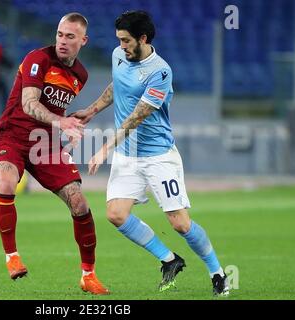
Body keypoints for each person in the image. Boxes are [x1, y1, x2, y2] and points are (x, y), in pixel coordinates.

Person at [72, 10, 229, 296]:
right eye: (118, 40)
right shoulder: (119, 55)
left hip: (158, 155)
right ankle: (170, 259)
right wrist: (92, 110)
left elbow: (137, 116)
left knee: (180, 223)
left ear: (143, 38)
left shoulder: (160, 71)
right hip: (128, 155)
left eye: (126, 40)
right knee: (116, 214)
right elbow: (116, 87)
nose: (121, 46)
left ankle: (217, 272)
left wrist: (105, 147)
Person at [0, 12, 109, 295]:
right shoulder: (37, 59)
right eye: (59, 35)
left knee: (80, 204)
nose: (62, 41)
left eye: (70, 37)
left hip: (45, 143)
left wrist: (66, 131)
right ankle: (12, 258)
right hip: (12, 135)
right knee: (6, 182)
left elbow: (57, 108)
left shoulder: (81, 75)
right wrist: (61, 122)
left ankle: (88, 275)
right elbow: (29, 104)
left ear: (83, 41)